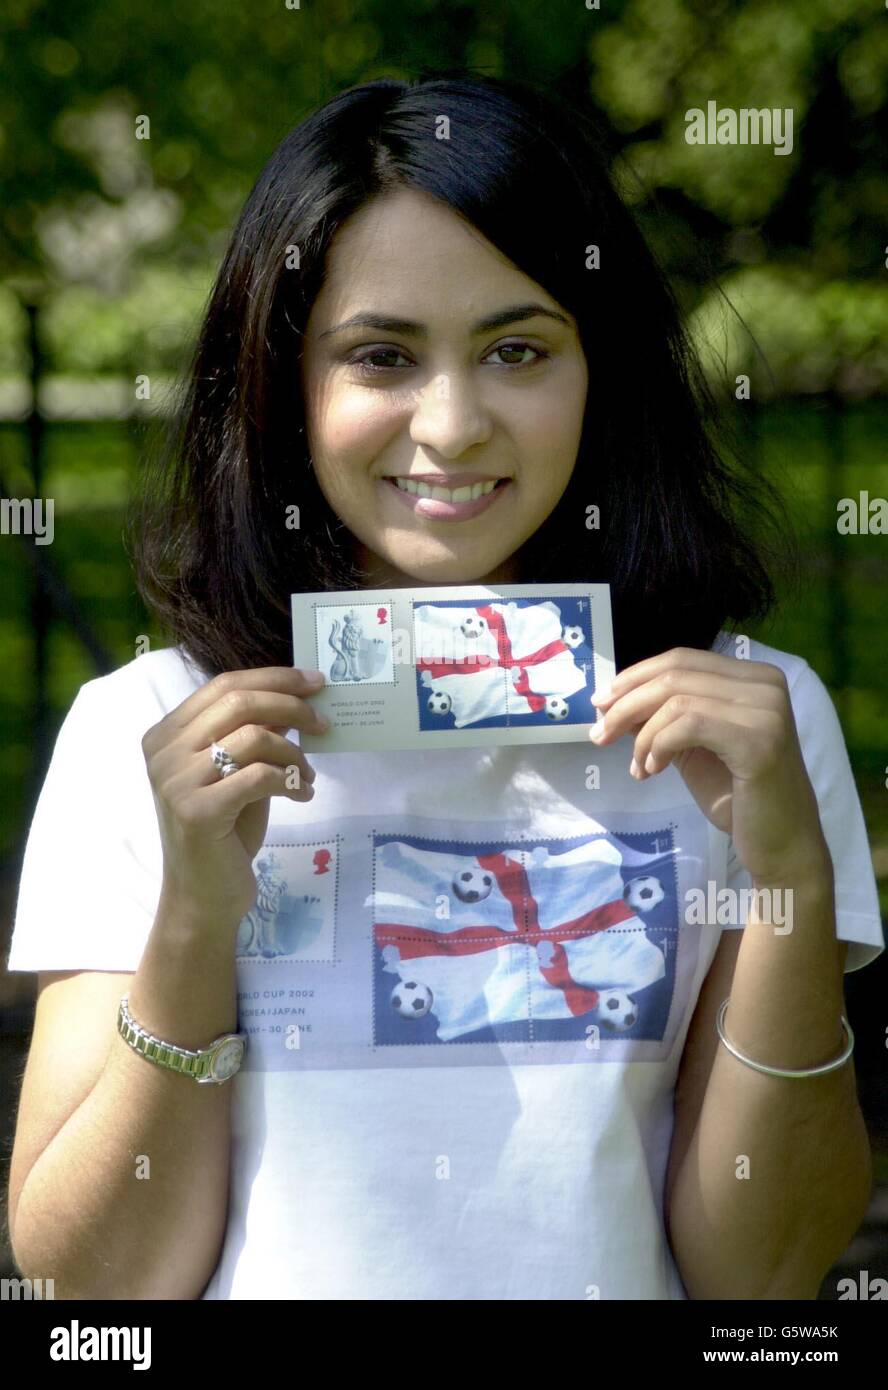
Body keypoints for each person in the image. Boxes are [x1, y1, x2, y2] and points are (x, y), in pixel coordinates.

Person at [6, 73, 883, 1301]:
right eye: (381, 356)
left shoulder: (750, 730)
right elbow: (94, 1289)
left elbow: (766, 1271)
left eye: (517, 349)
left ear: (603, 369)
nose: (454, 424)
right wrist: (197, 918)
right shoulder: (149, 733)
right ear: (280, 384)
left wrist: (789, 878)